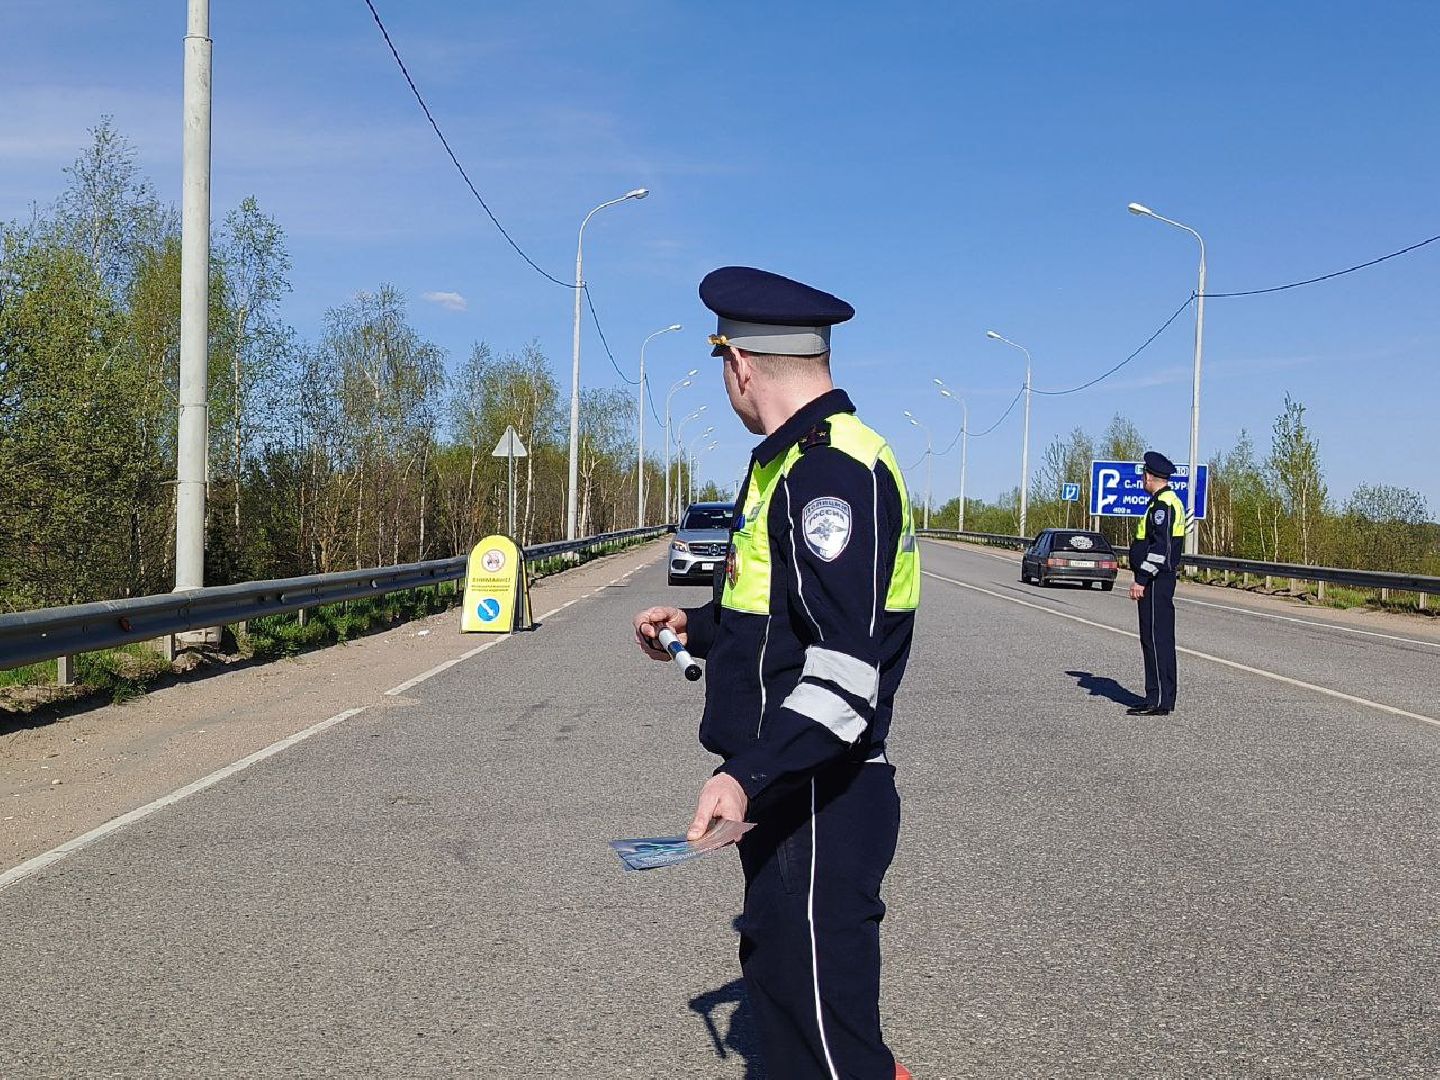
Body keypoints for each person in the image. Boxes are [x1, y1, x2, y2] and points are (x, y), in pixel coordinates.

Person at [632, 266, 919, 1080]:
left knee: (830, 1046)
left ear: (740, 364)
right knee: (790, 1006)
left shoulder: (833, 474)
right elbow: (781, 613)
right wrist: (700, 623)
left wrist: (748, 776)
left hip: (821, 792)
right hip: (787, 787)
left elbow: (845, 668)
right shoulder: (787, 464)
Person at [1126, 451, 1187, 716]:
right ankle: (1155, 696)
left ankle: (1160, 700)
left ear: (1150, 476)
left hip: (1156, 579)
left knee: (1156, 639)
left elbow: (1159, 548)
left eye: (1143, 475)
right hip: (1156, 578)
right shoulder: (1162, 502)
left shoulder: (1164, 506)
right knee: (1152, 638)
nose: (1142, 478)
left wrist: (1141, 579)